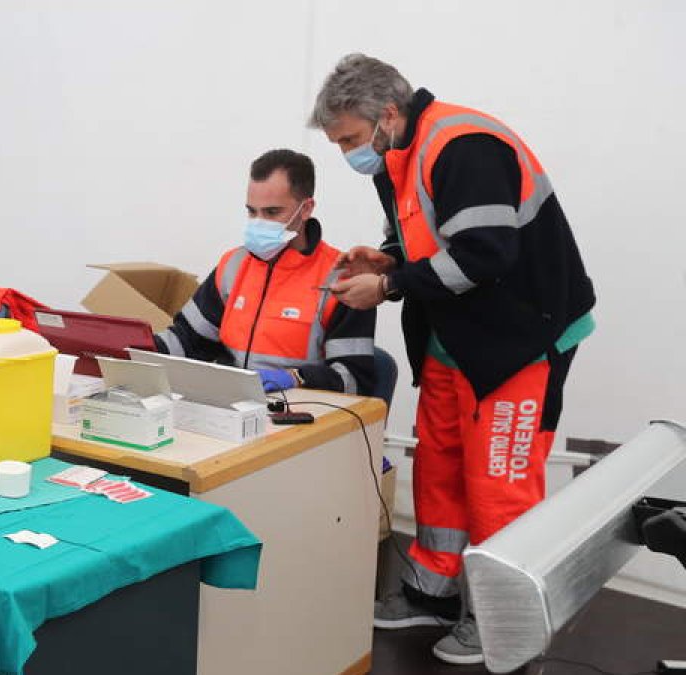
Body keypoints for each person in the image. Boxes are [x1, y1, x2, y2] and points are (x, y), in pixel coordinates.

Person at [309, 54, 596, 665]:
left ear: (387, 113)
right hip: (457, 335)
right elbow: (424, 237)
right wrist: (386, 259)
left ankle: (502, 624)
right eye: (338, 145)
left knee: (500, 481)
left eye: (351, 140)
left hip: (522, 335)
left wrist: (387, 288)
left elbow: (486, 253)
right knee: (439, 464)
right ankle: (433, 591)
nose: (348, 156)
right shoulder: (395, 156)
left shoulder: (464, 144)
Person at [154, 149, 376, 396]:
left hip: (302, 415)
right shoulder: (233, 265)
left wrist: (296, 378)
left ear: (305, 209)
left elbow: (354, 379)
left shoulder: (342, 277)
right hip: (231, 407)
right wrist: (136, 349)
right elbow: (188, 340)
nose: (259, 222)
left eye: (271, 212)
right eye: (252, 211)